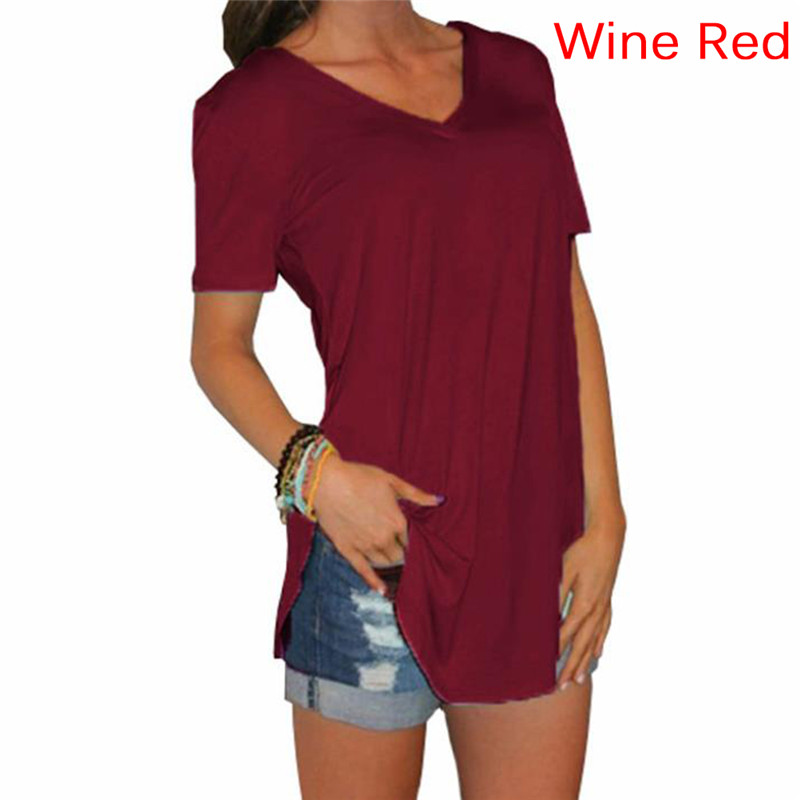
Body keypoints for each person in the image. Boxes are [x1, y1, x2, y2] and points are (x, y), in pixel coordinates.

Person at [190, 1, 626, 797]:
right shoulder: (253, 110)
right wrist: (320, 479)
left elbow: (563, 293)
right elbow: (219, 348)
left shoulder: (517, 72)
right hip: (371, 559)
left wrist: (607, 518)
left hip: (534, 563)